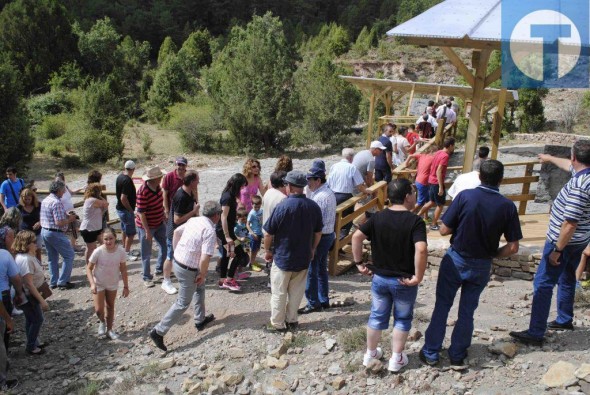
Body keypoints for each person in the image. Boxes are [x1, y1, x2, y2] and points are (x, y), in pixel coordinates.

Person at [421, 160, 522, 366]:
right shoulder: (507, 206)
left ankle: (431, 351)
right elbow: (513, 247)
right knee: (467, 310)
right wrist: (493, 254)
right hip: (482, 264)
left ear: (479, 176)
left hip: (457, 258)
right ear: (501, 180)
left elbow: (443, 230)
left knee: (442, 305)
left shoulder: (465, 197)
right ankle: (457, 354)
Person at [510, 141, 590, 345]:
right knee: (567, 278)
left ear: (575, 157)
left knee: (543, 283)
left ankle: (535, 333)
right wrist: (549, 158)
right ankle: (564, 319)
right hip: (580, 240)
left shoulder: (580, 186)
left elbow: (569, 223)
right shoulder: (584, 174)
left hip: (564, 242)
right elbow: (567, 165)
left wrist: (557, 250)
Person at [352, 179, 427, 372]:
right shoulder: (415, 221)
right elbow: (421, 249)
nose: (415, 195)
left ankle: (370, 353)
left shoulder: (378, 218)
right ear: (407, 197)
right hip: (403, 280)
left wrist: (359, 263)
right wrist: (418, 276)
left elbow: (356, 237)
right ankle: (396, 358)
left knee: (376, 316)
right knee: (402, 319)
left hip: (380, 278)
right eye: (413, 192)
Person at [149, 201, 221, 352]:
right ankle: (158, 331)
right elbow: (205, 257)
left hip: (179, 262)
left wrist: (177, 251)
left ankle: (200, 320)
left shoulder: (194, 220)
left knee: (200, 289)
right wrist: (202, 273)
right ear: (216, 216)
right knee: (182, 303)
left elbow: (176, 233)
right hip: (189, 269)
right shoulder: (209, 231)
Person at [263, 170, 323, 332]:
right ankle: (292, 320)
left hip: (283, 257)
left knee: (279, 292)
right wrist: (312, 249)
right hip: (303, 256)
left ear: (289, 186)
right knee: (296, 292)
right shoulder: (313, 206)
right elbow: (318, 232)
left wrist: (267, 250)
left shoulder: (282, 206)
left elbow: (269, 233)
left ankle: (277, 323)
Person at [299, 161, 336, 314]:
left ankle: (313, 302)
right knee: (321, 269)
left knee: (312, 270)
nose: (307, 183)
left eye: (310, 180)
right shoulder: (327, 192)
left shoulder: (320, 197)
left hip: (320, 237)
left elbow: (314, 223)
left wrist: (311, 244)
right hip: (328, 235)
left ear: (318, 180)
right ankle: (323, 299)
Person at [86, 228, 130, 340]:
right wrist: (92, 283)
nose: (109, 241)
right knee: (98, 309)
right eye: (106, 239)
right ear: (102, 239)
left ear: (115, 238)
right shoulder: (98, 251)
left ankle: (110, 330)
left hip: (112, 283)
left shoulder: (120, 251)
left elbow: (123, 269)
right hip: (99, 283)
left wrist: (126, 286)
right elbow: (89, 268)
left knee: (110, 306)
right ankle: (102, 322)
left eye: (111, 238)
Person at [161, 170, 200, 295]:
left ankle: (183, 277)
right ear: (192, 181)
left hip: (185, 232)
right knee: (170, 256)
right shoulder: (181, 196)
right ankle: (166, 281)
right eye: (197, 180)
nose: (199, 182)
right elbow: (177, 220)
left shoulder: (189, 193)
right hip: (174, 233)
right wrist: (193, 212)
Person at [13, 231, 48, 355]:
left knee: (30, 319)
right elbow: (29, 284)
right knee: (37, 319)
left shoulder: (25, 256)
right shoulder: (26, 260)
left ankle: (34, 341)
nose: (36, 243)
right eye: (33, 242)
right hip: (29, 296)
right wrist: (42, 300)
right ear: (26, 244)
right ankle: (31, 346)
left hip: (25, 295)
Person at [40, 180, 78, 289]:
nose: (64, 192)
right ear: (58, 190)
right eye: (63, 190)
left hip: (45, 231)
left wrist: (64, 215)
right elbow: (59, 222)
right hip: (54, 232)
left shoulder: (46, 200)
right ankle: (63, 281)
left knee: (52, 258)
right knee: (69, 255)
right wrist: (70, 219)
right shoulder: (56, 202)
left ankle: (54, 281)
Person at [328, 148, 372, 240]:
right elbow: (360, 186)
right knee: (346, 222)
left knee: (333, 220)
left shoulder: (334, 166)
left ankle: (333, 243)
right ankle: (339, 244)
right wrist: (368, 191)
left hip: (332, 195)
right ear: (352, 158)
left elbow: (329, 182)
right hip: (345, 196)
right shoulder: (352, 167)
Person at [136, 166, 168, 288]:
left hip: (159, 222)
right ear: (155, 179)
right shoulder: (143, 191)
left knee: (165, 246)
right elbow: (141, 213)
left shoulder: (157, 187)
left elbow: (160, 204)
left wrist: (163, 216)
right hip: (146, 226)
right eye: (160, 176)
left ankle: (159, 270)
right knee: (146, 253)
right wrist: (147, 231)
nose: (161, 178)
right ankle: (146, 276)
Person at [216, 173, 248, 292]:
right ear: (237, 185)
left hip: (227, 230)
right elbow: (223, 217)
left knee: (225, 255)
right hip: (225, 232)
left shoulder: (230, 195)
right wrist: (227, 236)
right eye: (241, 187)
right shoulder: (227, 197)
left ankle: (222, 280)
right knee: (239, 254)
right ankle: (229, 280)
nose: (241, 190)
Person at [418, 137, 456, 231]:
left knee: (431, 202)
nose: (453, 148)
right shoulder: (445, 156)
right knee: (440, 204)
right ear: (450, 145)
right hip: (436, 182)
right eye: (453, 146)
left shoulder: (438, 152)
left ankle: (417, 217)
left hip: (431, 180)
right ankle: (434, 224)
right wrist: (440, 186)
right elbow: (439, 170)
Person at [405, 145, 437, 221]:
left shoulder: (422, 155)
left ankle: (425, 218)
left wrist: (406, 164)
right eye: (436, 153)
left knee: (426, 200)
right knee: (420, 202)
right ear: (432, 152)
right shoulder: (432, 158)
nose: (436, 155)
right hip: (423, 182)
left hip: (418, 181)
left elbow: (410, 155)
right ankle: (407, 215)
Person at [80, 183, 109, 265]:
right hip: (89, 228)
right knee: (91, 248)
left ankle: (98, 263)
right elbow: (106, 203)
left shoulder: (92, 200)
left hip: (95, 227)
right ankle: (89, 266)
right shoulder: (92, 200)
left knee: (102, 244)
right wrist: (100, 196)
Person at [115, 160, 137, 259]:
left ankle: (124, 249)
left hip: (120, 209)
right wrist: (131, 210)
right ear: (133, 169)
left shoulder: (120, 176)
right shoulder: (127, 180)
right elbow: (123, 198)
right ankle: (126, 253)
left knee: (124, 230)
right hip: (125, 210)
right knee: (131, 233)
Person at [54, 172, 79, 251]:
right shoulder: (55, 191)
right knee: (63, 230)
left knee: (75, 227)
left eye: (60, 180)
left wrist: (81, 188)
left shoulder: (66, 187)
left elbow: (72, 192)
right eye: (57, 180)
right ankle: (64, 246)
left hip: (71, 212)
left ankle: (72, 245)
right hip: (62, 214)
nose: (58, 182)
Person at [17, 188, 42, 262]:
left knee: (38, 252)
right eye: (25, 199)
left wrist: (40, 222)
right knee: (26, 252)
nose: (27, 201)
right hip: (24, 234)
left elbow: (45, 216)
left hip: (37, 233)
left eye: (29, 199)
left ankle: (39, 267)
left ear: (32, 198)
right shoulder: (19, 207)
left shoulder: (38, 205)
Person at [162, 157, 190, 221]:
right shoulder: (169, 176)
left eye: (183, 165)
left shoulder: (189, 176)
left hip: (186, 208)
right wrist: (166, 211)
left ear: (186, 166)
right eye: (179, 165)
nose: (181, 167)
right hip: (172, 208)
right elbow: (164, 194)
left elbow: (194, 191)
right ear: (175, 165)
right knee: (171, 229)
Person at [246, 195, 263, 270]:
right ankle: (251, 264)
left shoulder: (261, 211)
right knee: (253, 250)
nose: (256, 209)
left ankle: (253, 261)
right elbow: (247, 224)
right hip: (253, 235)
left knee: (256, 249)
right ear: (252, 204)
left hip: (259, 233)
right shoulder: (251, 213)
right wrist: (252, 233)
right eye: (255, 207)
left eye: (258, 207)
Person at [232, 208, 251, 279]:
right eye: (242, 219)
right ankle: (236, 271)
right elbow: (233, 235)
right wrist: (240, 239)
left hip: (245, 244)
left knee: (246, 258)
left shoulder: (245, 225)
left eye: (245, 219)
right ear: (238, 218)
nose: (244, 221)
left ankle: (240, 271)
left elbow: (247, 233)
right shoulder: (237, 227)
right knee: (240, 258)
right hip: (239, 245)